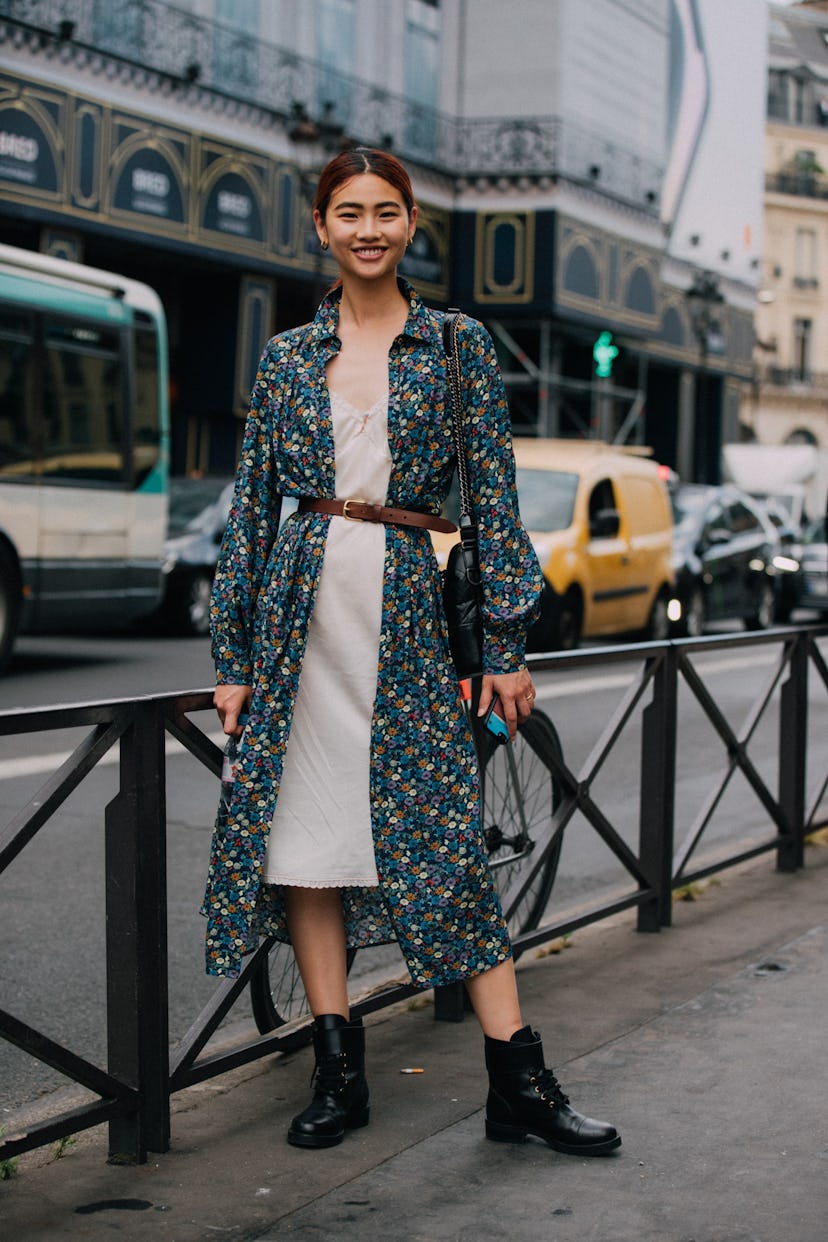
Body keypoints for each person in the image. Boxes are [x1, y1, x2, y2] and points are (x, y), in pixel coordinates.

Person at [203, 147, 621, 1157]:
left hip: (401, 612)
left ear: (411, 224)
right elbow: (253, 504)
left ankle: (517, 1078)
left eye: (386, 212)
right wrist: (234, 651)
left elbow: (494, 498)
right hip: (299, 610)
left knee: (440, 843)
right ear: (320, 226)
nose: (368, 230)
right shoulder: (289, 357)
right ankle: (336, 1070)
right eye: (349, 212)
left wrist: (505, 642)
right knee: (304, 844)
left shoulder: (457, 344)